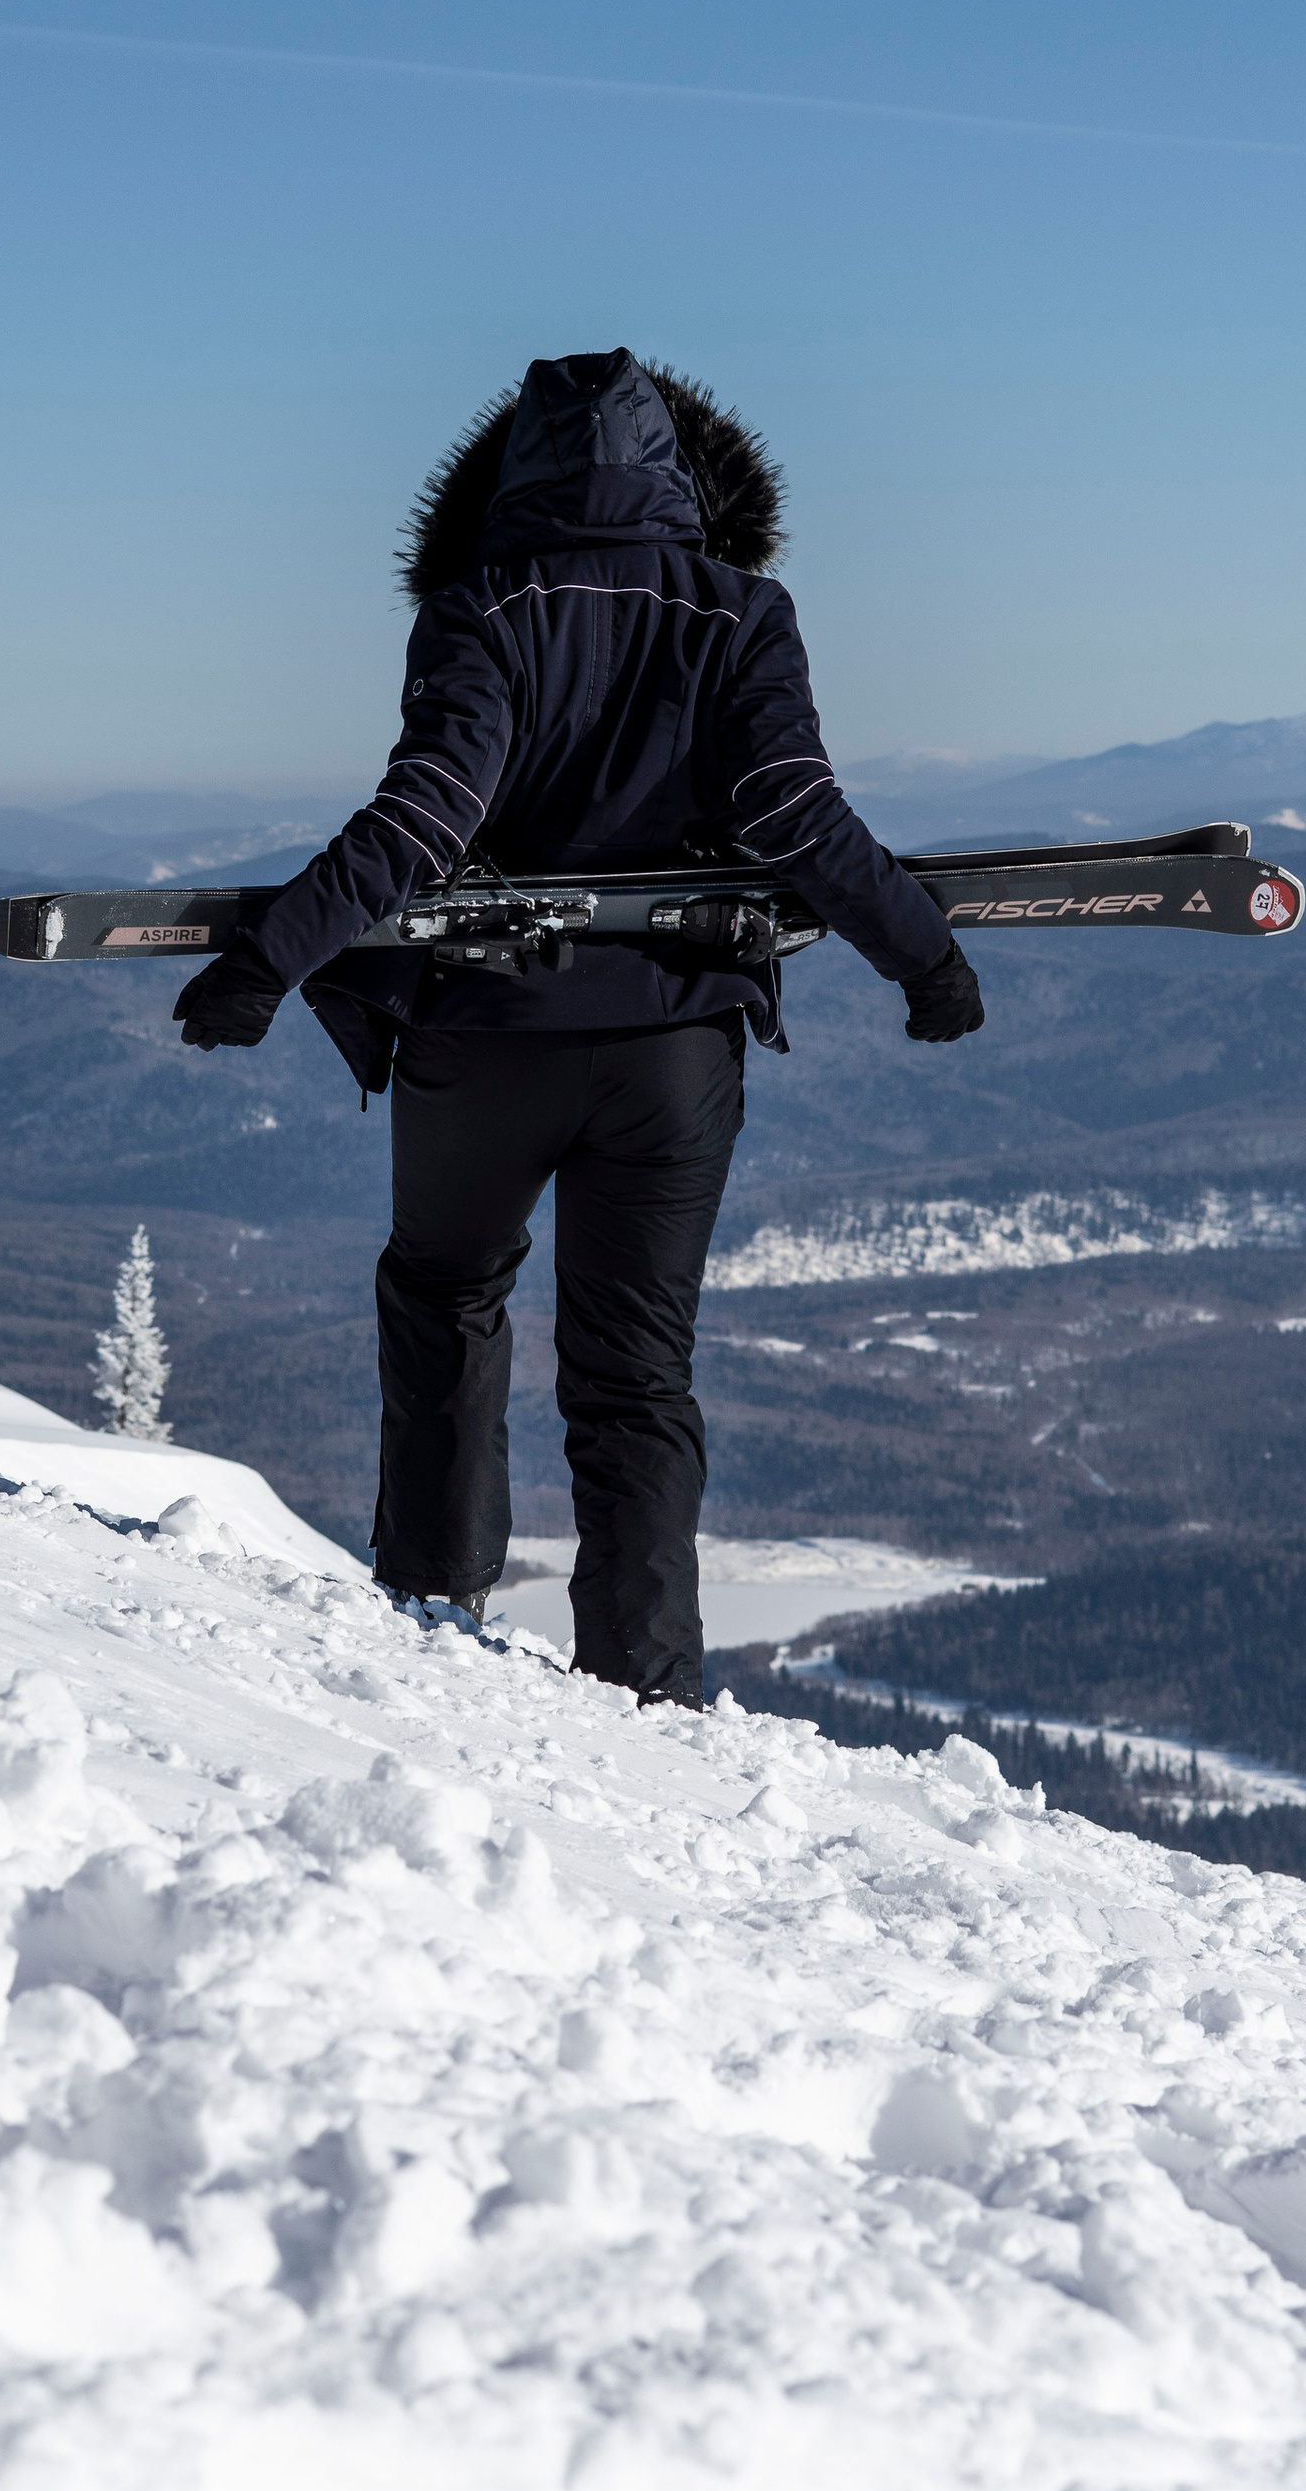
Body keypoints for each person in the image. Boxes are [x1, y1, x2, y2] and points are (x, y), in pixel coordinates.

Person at [172, 349, 982, 1707]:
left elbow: (427, 817)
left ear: (518, 475)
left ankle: (432, 1607)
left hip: (485, 1036)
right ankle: (647, 1687)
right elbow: (795, 813)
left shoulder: (480, 608)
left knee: (444, 1289)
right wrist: (927, 956)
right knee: (638, 1374)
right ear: (675, 474)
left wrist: (269, 960)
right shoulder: (743, 611)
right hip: (674, 1048)